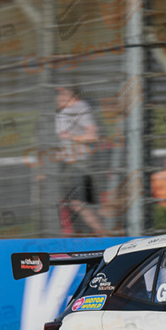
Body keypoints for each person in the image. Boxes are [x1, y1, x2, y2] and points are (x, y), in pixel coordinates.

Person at [55, 86, 104, 236]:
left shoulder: (79, 108)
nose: (57, 98)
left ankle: (106, 234)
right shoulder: (68, 111)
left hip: (80, 164)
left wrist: (71, 138)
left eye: (61, 94)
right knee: (86, 204)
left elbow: (93, 135)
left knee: (78, 202)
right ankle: (105, 233)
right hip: (72, 164)